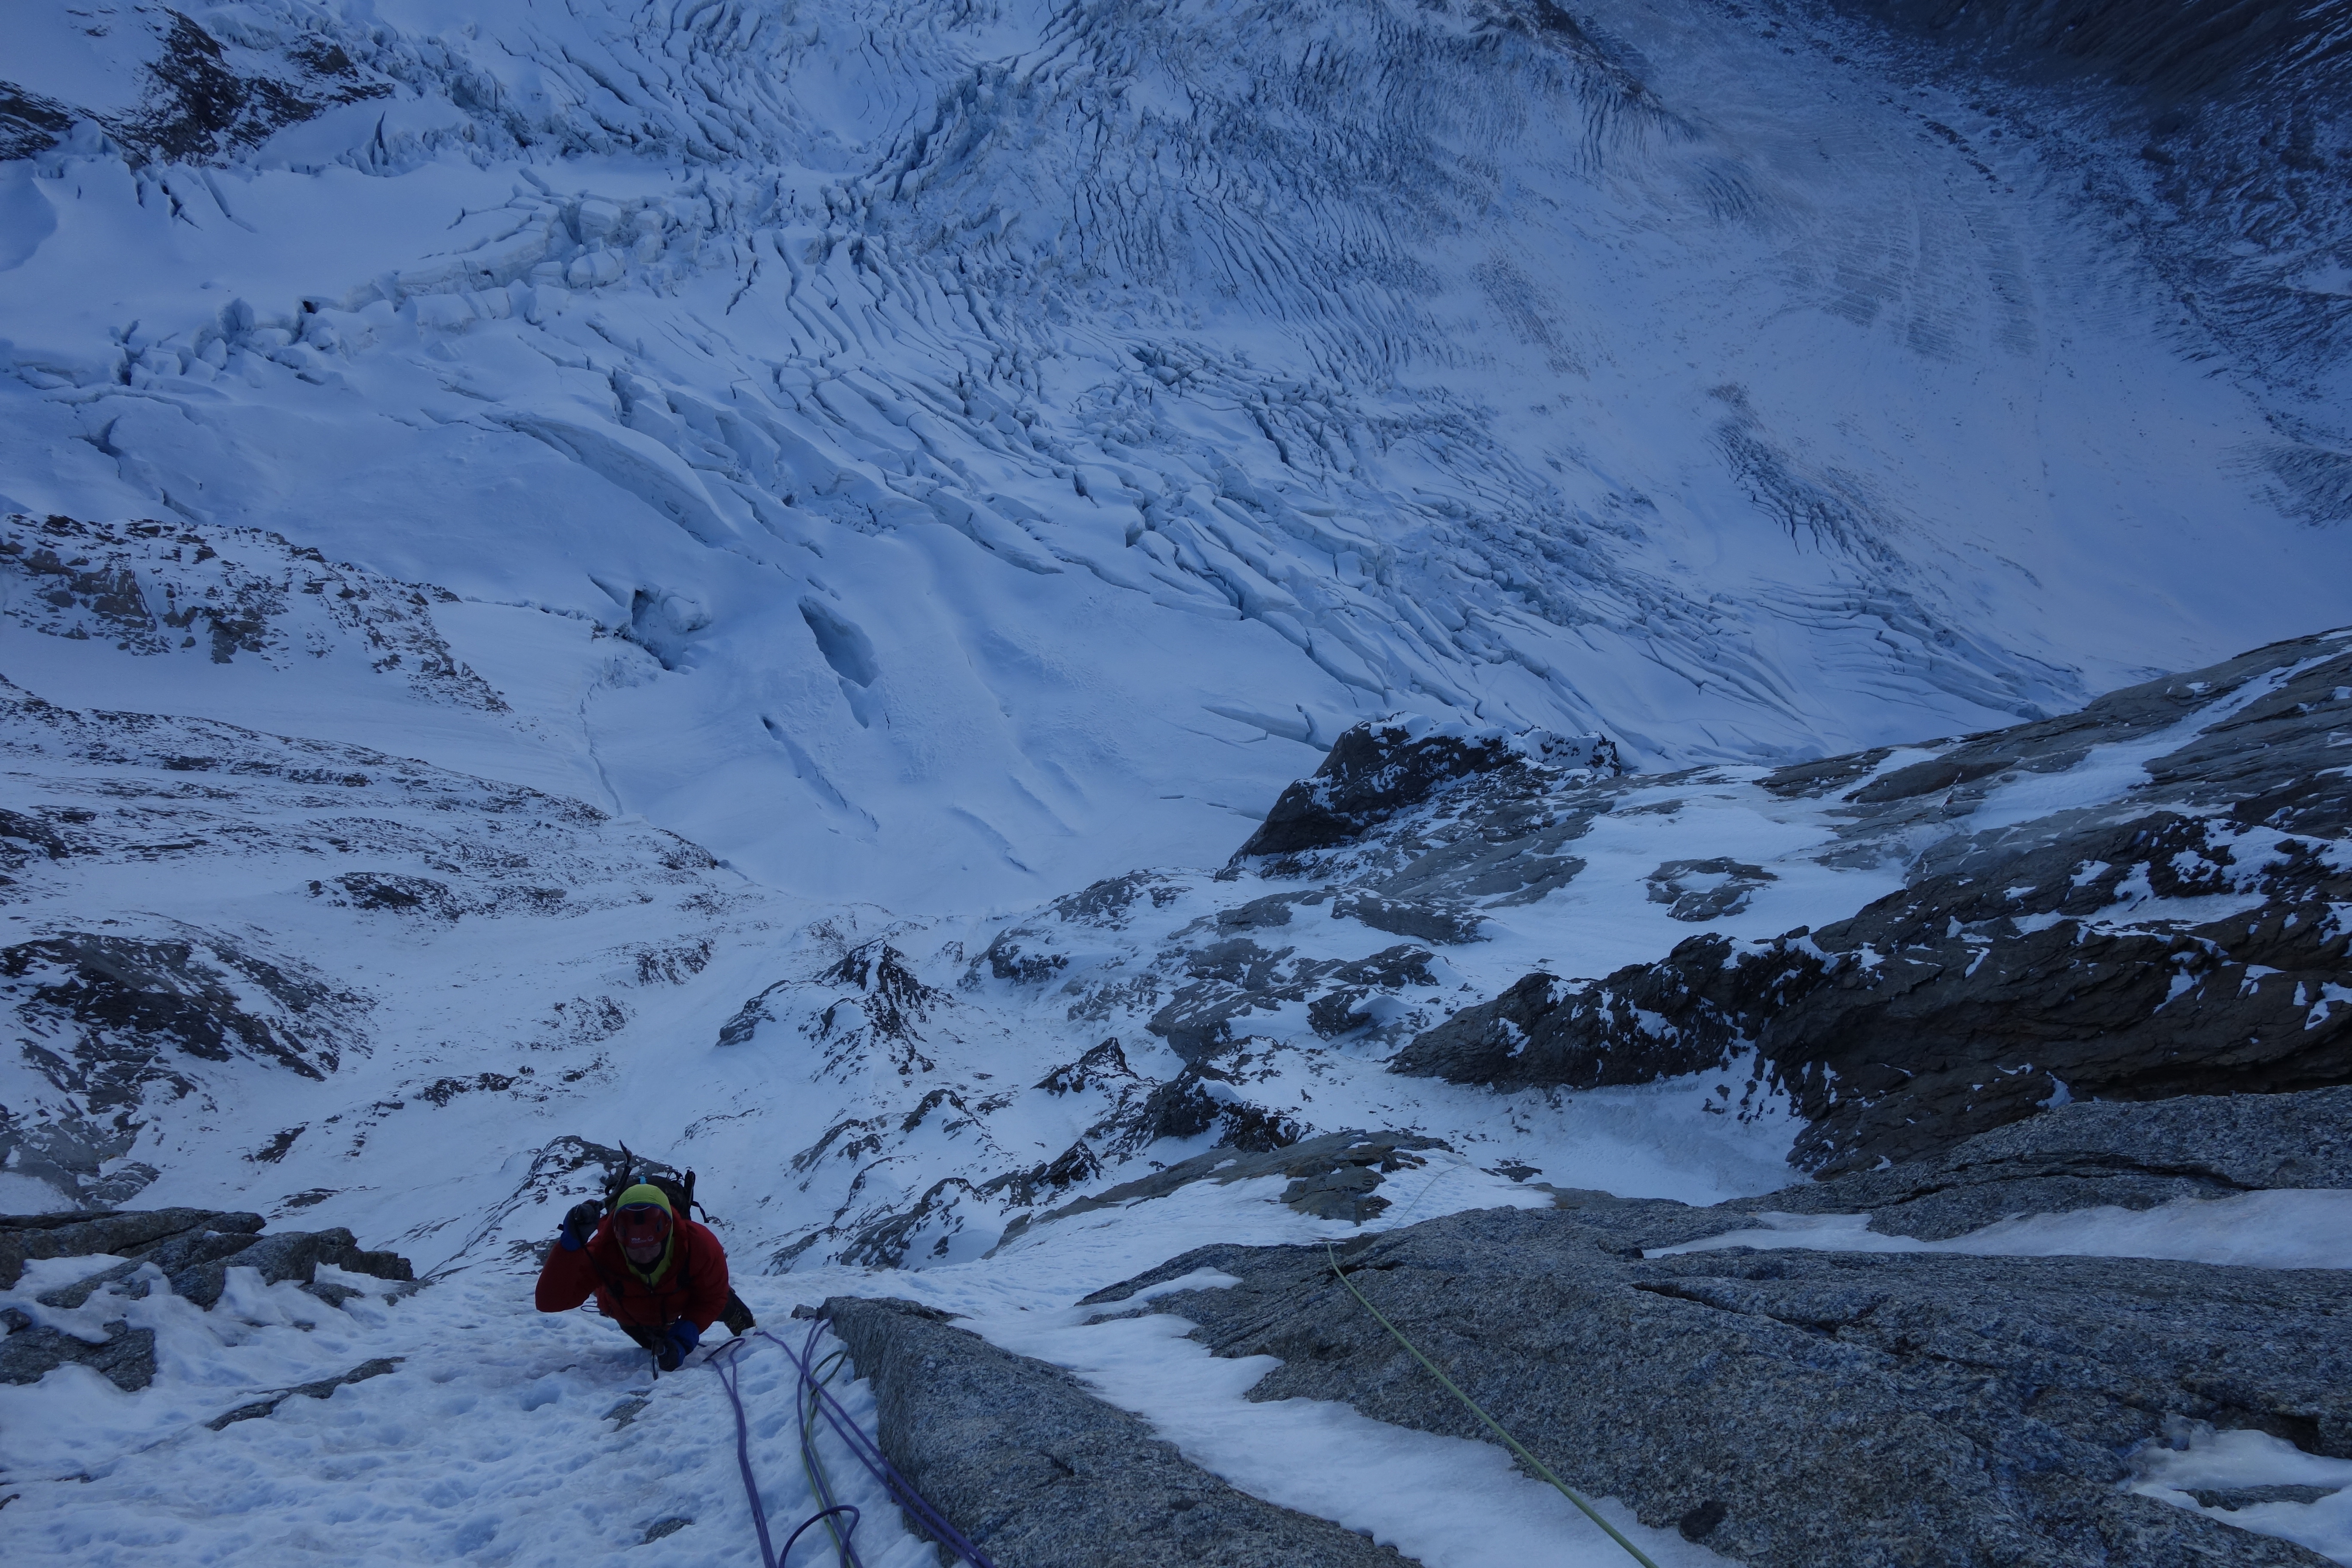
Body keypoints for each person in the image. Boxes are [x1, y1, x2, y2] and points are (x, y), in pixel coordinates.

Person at [535, 1181, 733, 1370]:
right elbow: (550, 1302)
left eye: (652, 1246)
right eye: (634, 1249)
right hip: (634, 1317)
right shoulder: (604, 1251)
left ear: (668, 1235)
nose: (644, 1256)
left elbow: (711, 1298)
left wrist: (685, 1337)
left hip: (680, 1302)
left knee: (718, 1296)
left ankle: (742, 1322)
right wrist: (569, 1248)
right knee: (663, 1353)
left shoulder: (699, 1246)